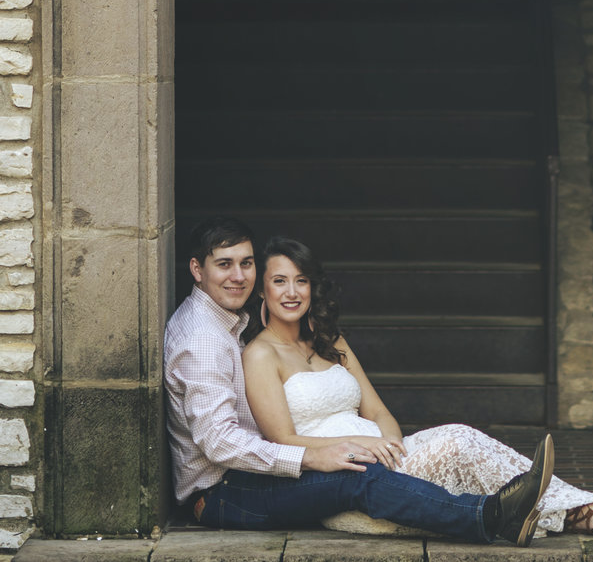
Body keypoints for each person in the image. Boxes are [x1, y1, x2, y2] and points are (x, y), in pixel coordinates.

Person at [164, 219, 554, 543]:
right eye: (224, 264)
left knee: (379, 464)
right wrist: (313, 455)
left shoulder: (226, 322)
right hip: (224, 494)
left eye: (246, 263)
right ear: (198, 269)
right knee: (357, 479)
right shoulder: (202, 338)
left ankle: (547, 504)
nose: (238, 276)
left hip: (249, 477)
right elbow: (218, 443)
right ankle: (490, 516)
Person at [241, 234, 593, 537]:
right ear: (263, 289)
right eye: (280, 281)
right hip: (346, 479)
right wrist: (356, 447)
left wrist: (393, 448)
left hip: (387, 461)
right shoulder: (260, 355)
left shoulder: (331, 340)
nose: (292, 292)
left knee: (458, 433)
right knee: (455, 448)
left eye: (301, 281)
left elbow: (379, 411)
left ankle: (567, 505)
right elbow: (280, 440)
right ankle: (580, 511)